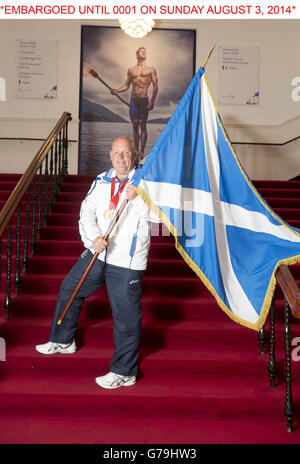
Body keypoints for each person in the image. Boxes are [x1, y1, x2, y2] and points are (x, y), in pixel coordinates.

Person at [35, 136, 159, 389]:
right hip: (99, 252)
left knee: (125, 317)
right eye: (117, 153)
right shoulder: (101, 180)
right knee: (70, 288)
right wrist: (93, 239)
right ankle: (63, 340)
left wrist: (139, 198)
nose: (121, 157)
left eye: (126, 153)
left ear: (134, 156)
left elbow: (161, 219)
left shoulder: (147, 183)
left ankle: (124, 371)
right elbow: (86, 211)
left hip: (127, 260)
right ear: (110, 155)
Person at [111, 47, 158, 160]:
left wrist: (152, 101)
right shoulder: (131, 70)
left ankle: (142, 151)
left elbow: (156, 85)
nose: (144, 53)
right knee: (135, 125)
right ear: (137, 54)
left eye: (145, 51)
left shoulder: (151, 69)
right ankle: (136, 150)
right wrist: (116, 90)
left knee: (143, 125)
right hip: (133, 100)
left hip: (144, 99)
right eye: (141, 51)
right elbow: (126, 85)